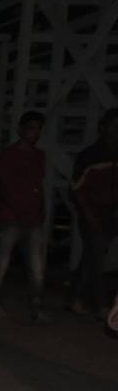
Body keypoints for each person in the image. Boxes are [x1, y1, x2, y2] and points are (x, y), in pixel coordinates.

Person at [0, 111, 50, 322]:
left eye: (38, 128)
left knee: (37, 267)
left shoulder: (39, 155)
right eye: (31, 128)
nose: (35, 133)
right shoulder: (9, 155)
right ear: (21, 130)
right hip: (12, 218)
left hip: (33, 219)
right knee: (1, 264)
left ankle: (37, 306)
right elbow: (3, 186)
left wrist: (40, 212)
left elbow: (38, 186)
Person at [69, 108, 118, 320]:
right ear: (103, 127)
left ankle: (75, 298)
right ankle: (102, 304)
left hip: (113, 213)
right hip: (93, 212)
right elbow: (77, 190)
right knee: (96, 258)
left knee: (91, 257)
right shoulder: (90, 155)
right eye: (114, 125)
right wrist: (89, 216)